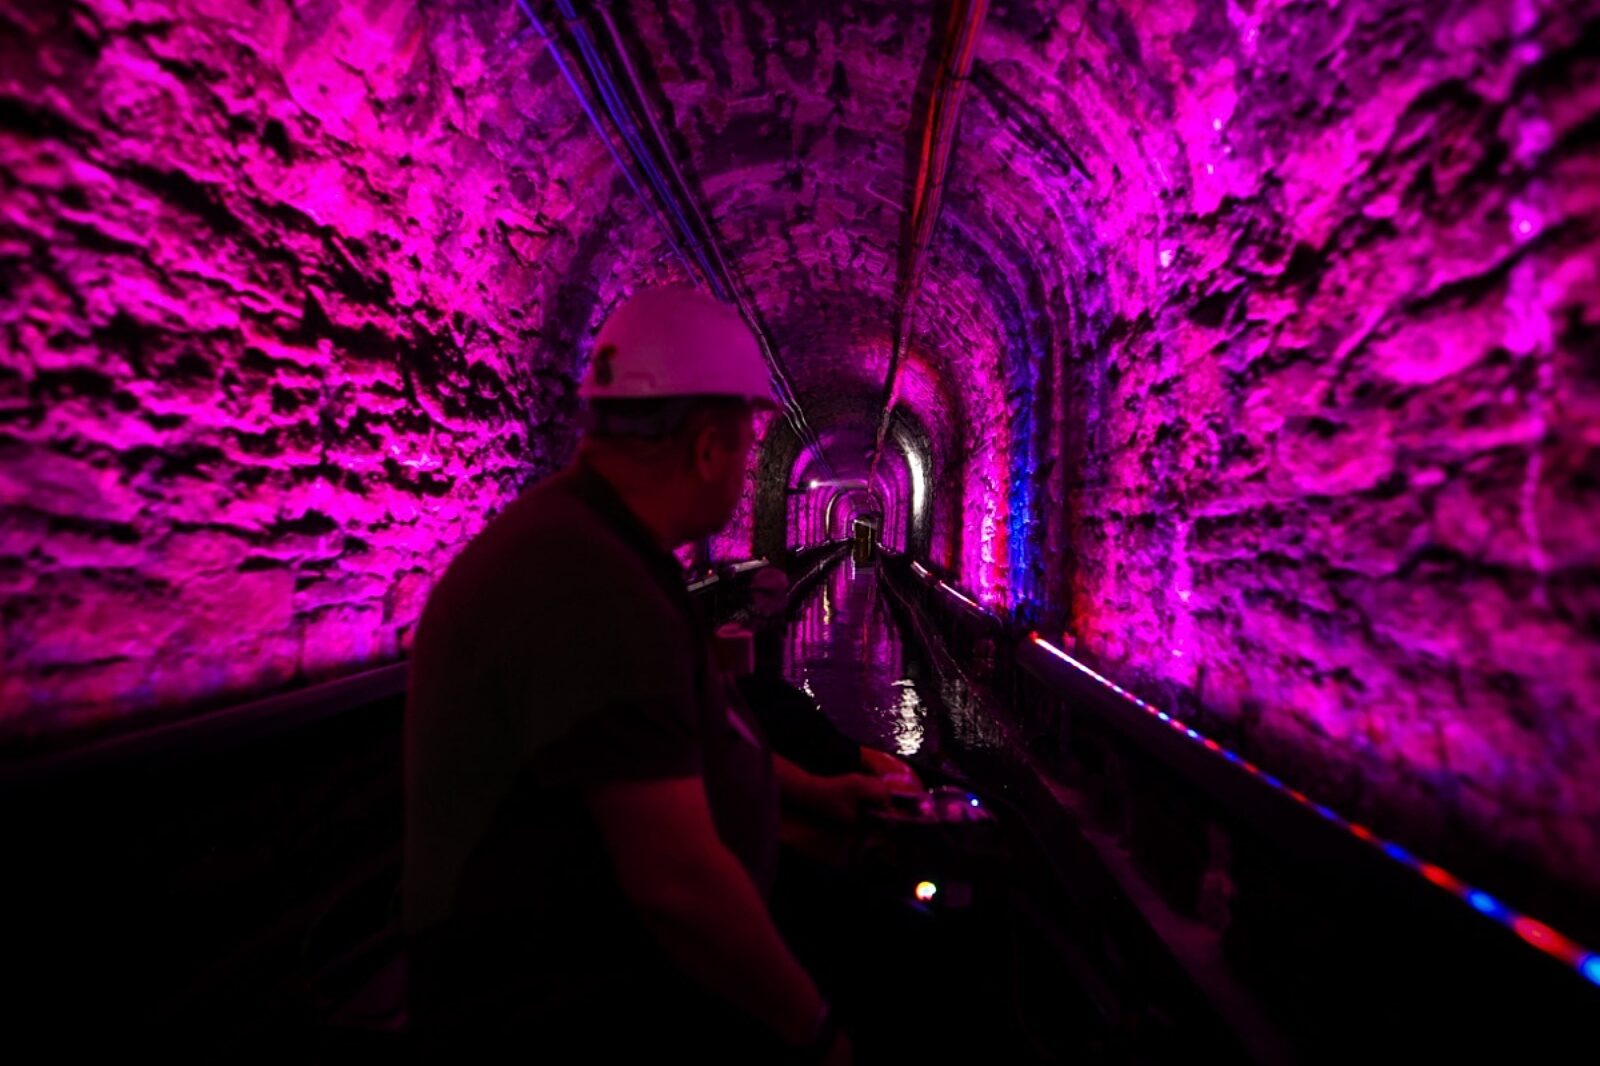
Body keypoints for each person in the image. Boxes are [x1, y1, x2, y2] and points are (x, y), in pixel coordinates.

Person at [403, 287, 881, 1061]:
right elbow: (676, 886)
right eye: (746, 447)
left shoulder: (605, 548)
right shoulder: (587, 585)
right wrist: (819, 1036)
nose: (749, 470)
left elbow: (682, 741)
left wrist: (818, 797)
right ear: (706, 448)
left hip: (595, 966)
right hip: (558, 1013)